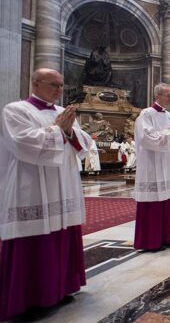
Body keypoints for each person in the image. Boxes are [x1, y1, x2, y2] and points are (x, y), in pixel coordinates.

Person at [0, 68, 92, 321]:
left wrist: (69, 131)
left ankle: (62, 288)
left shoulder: (62, 112)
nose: (59, 90)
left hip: (63, 184)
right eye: (54, 85)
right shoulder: (16, 110)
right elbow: (21, 142)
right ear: (36, 83)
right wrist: (57, 130)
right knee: (35, 238)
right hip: (30, 187)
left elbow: (84, 142)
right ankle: (31, 297)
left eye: (61, 85)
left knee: (62, 233)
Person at [133, 83, 170, 251]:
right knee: (153, 200)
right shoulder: (146, 114)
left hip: (167, 162)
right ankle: (151, 241)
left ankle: (167, 237)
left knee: (167, 199)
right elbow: (146, 139)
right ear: (157, 95)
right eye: (167, 95)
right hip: (151, 163)